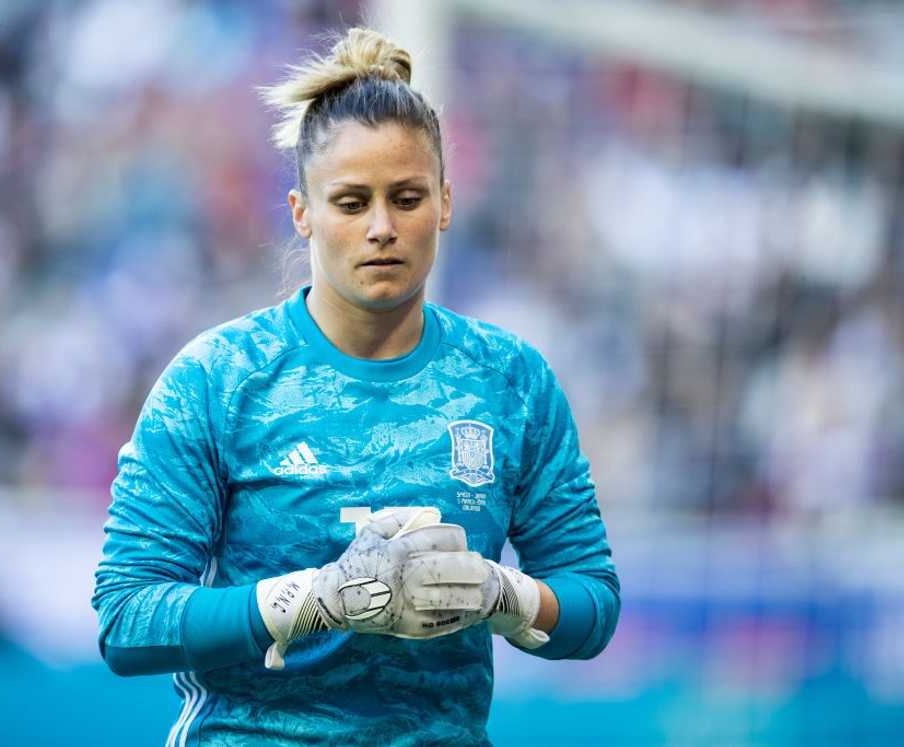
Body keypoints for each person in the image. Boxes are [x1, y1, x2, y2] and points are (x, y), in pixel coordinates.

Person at [92, 27, 619, 746]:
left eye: (406, 197)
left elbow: (593, 601)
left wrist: (504, 593)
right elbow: (127, 619)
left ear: (446, 203)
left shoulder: (512, 380)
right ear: (302, 211)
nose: (381, 227)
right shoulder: (217, 379)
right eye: (350, 202)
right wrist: (311, 601)